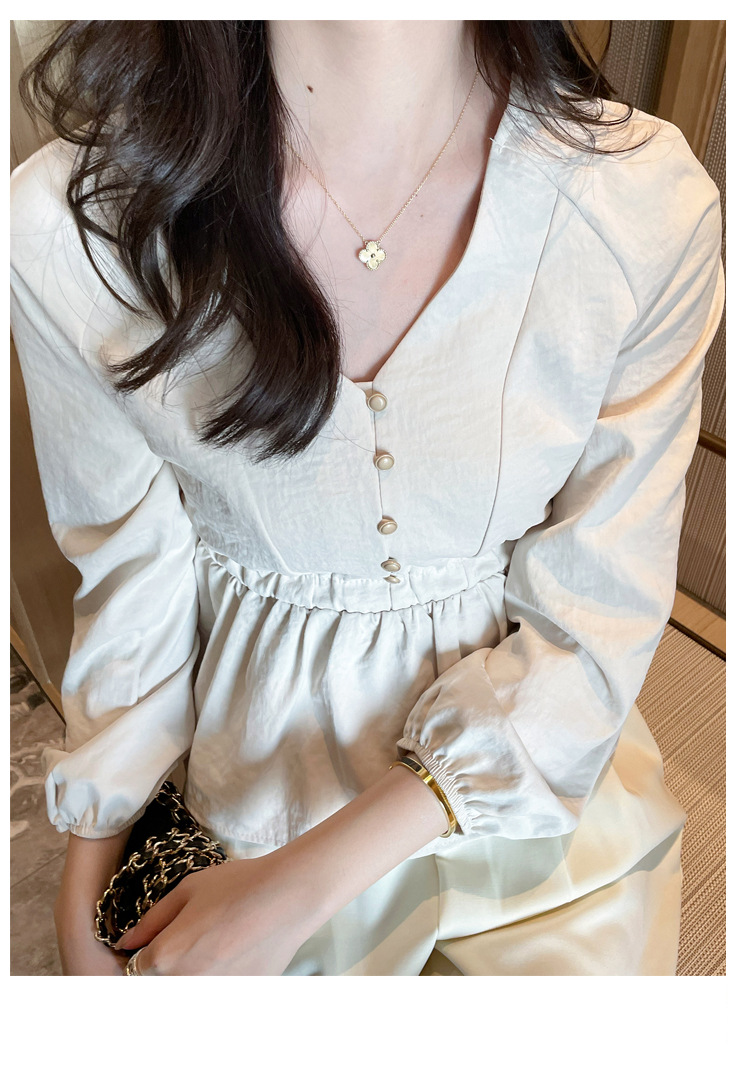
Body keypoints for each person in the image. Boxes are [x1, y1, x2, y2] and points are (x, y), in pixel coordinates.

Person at [10, 19, 724, 976]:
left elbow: (600, 611)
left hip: (539, 803)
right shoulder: (73, 228)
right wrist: (86, 875)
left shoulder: (641, 206)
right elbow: (130, 573)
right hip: (252, 789)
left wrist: (298, 887)